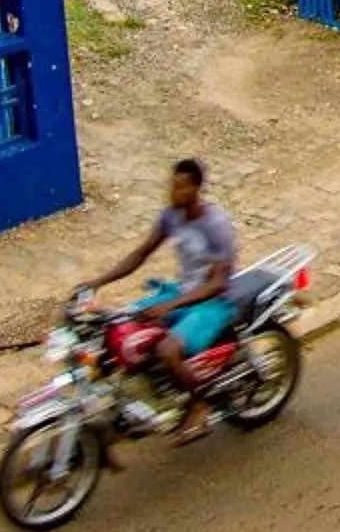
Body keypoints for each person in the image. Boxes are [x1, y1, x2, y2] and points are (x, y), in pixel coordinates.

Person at [91, 158, 242, 444]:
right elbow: (141, 253)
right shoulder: (171, 216)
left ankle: (199, 408)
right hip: (181, 292)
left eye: (180, 187)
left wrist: (171, 306)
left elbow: (218, 282)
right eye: (172, 185)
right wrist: (98, 281)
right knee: (122, 323)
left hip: (214, 302)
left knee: (167, 349)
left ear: (196, 189)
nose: (173, 192)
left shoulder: (216, 225)